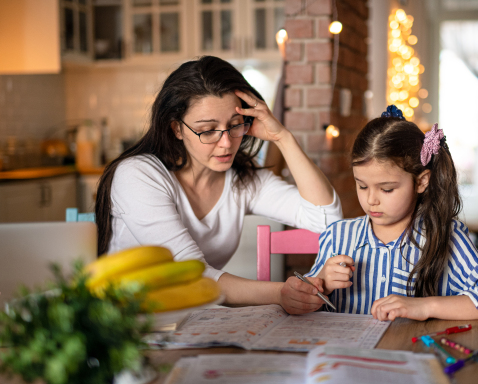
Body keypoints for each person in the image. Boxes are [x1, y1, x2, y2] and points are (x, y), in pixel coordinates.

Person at [94, 56, 343, 314]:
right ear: (177, 129)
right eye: (208, 130)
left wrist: (283, 138)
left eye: (235, 126)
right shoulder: (138, 175)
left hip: (194, 321)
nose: (226, 143)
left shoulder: (243, 182)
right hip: (126, 325)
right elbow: (191, 273)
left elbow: (327, 218)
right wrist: (280, 293)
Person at [305, 105, 478, 321]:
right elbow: (299, 303)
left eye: (387, 189)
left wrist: (424, 307)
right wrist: (321, 283)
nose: (371, 200)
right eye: (362, 186)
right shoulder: (337, 236)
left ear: (421, 182)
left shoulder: (446, 236)